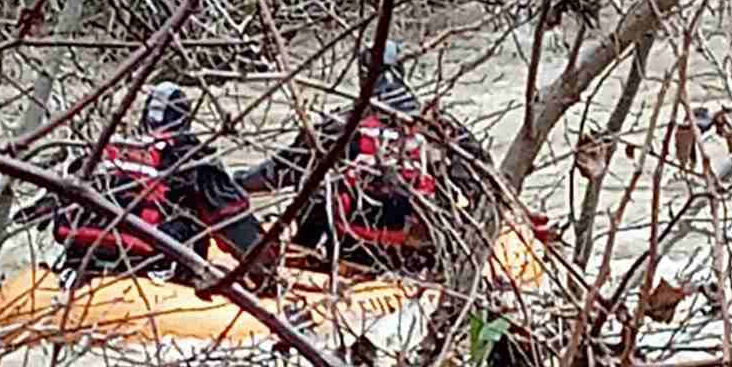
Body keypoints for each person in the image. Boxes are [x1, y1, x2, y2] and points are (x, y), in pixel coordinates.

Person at [237, 42, 485, 273]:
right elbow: (483, 184)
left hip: (355, 254)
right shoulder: (441, 129)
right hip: (421, 259)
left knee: (316, 181)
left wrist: (233, 185)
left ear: (363, 77)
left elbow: (281, 172)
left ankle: (302, 253)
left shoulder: (340, 127)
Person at [50, 82, 275, 292]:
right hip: (157, 275)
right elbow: (232, 221)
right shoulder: (191, 157)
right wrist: (266, 277)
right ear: (185, 120)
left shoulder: (108, 151)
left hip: (82, 265)